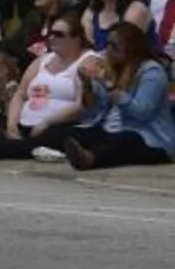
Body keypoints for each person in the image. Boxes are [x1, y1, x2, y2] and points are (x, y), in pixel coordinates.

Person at [0, 14, 104, 161]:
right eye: (50, 33)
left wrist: (47, 122)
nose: (52, 38)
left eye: (59, 34)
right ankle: (19, 145)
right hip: (27, 123)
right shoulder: (43, 60)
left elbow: (82, 105)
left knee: (54, 137)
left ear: (76, 38)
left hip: (61, 125)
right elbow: (20, 94)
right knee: (1, 124)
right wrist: (12, 124)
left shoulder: (88, 62)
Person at [60, 22, 175, 170]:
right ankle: (31, 146)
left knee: (124, 140)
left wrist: (111, 88)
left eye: (114, 46)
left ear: (131, 48)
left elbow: (142, 114)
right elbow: (93, 112)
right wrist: (87, 86)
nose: (108, 50)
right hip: (111, 130)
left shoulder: (152, 73)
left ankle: (90, 158)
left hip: (149, 138)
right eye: (107, 44)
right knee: (71, 132)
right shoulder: (111, 69)